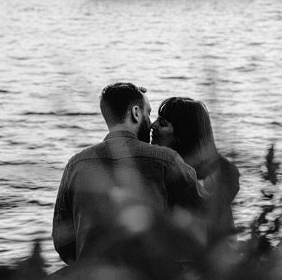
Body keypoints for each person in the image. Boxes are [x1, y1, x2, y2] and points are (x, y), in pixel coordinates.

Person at [52, 82, 205, 269]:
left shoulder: (75, 165)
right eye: (148, 113)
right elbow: (205, 217)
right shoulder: (167, 160)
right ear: (135, 113)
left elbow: (62, 240)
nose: (151, 124)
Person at [151, 96, 240, 245]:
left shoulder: (216, 176)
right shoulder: (160, 167)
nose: (152, 126)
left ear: (181, 134)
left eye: (162, 123)